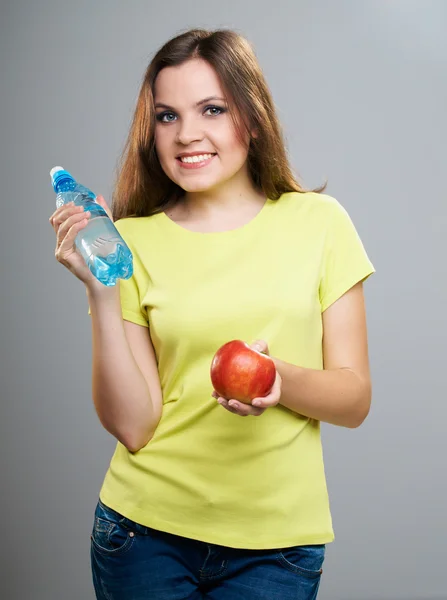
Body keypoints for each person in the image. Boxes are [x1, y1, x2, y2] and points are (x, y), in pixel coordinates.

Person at [49, 27, 375, 600]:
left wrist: (278, 380)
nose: (187, 135)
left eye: (212, 109)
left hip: (276, 545)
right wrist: (102, 290)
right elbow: (133, 424)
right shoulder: (128, 243)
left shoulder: (321, 224)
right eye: (167, 116)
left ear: (250, 117)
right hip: (144, 533)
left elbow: (354, 400)